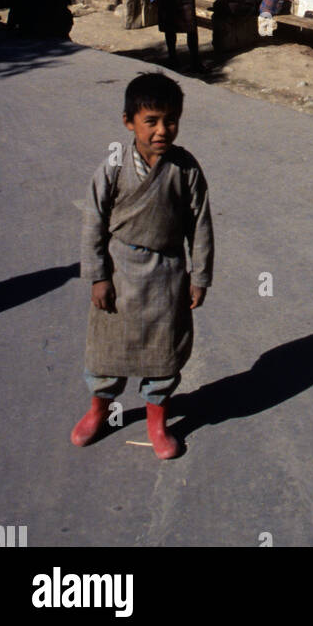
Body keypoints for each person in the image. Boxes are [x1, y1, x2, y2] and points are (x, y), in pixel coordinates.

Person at [71, 71, 214, 459]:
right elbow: (94, 222)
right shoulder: (115, 165)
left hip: (167, 275)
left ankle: (157, 418)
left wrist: (199, 277)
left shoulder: (185, 168)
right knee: (107, 351)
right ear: (129, 122)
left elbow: (200, 224)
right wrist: (98, 276)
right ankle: (100, 409)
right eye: (150, 121)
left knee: (163, 352)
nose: (161, 130)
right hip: (120, 274)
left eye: (170, 120)